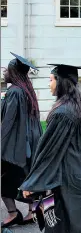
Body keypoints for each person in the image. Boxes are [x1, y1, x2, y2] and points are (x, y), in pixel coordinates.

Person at [20, 64, 81, 233]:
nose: (48, 84)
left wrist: (32, 182)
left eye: (51, 80)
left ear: (61, 82)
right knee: (80, 222)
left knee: (60, 223)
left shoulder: (62, 113)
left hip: (65, 179)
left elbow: (48, 152)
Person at [1, 53, 42, 228]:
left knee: (5, 179)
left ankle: (13, 213)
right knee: (26, 177)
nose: (5, 72)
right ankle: (33, 211)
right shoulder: (26, 90)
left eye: (7, 70)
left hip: (15, 144)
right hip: (29, 141)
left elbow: (8, 121)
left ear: (14, 72)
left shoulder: (15, 92)